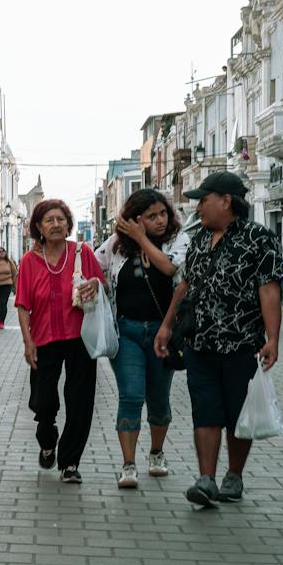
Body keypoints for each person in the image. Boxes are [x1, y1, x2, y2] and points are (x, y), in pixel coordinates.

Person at [156, 171, 281, 509]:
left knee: (237, 413)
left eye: (204, 200)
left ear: (226, 201)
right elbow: (185, 285)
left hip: (242, 343)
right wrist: (167, 325)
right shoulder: (199, 239)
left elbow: (269, 289)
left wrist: (273, 338)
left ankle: (234, 475)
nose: (198, 208)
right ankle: (206, 479)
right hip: (199, 342)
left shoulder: (259, 238)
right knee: (205, 411)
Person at [97, 188, 188, 490]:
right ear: (135, 219)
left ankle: (156, 452)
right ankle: (128, 464)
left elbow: (170, 267)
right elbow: (93, 267)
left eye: (163, 214)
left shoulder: (178, 240)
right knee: (131, 395)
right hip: (127, 332)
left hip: (164, 332)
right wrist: (92, 284)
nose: (160, 220)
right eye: (151, 216)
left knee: (159, 398)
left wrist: (141, 238)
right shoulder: (115, 246)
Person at [16, 199, 106, 483]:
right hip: (44, 338)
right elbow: (23, 305)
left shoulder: (82, 252)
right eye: (49, 220)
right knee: (43, 401)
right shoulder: (29, 261)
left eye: (61, 219)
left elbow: (101, 283)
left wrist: (95, 284)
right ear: (39, 227)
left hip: (80, 336)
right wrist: (28, 342)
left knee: (80, 400)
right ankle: (47, 437)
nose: (56, 224)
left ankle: (70, 462)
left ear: (68, 224)